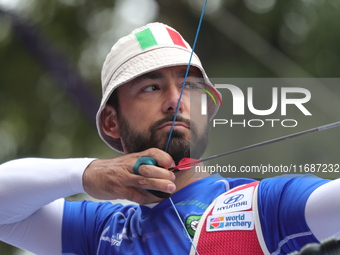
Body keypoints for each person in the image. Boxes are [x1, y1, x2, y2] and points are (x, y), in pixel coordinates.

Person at [0, 22, 339, 255]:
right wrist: (88, 174)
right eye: (151, 86)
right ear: (112, 121)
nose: (176, 100)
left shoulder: (263, 207)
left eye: (189, 85)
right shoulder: (102, 231)